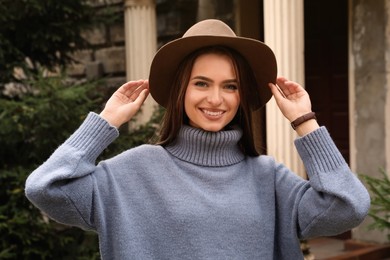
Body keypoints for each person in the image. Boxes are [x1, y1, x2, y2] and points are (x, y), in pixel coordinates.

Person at [25, 19, 370, 259]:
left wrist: (304, 121)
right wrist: (106, 121)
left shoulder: (269, 179)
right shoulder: (131, 173)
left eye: (230, 86)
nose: (216, 99)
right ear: (181, 91)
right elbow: (46, 188)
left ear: (241, 96)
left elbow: (349, 206)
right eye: (201, 83)